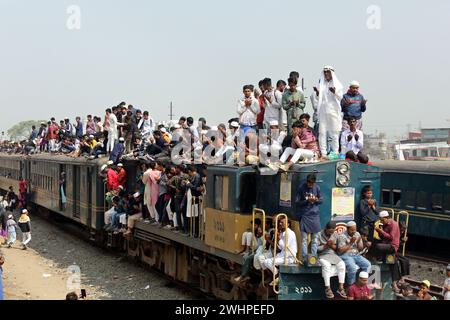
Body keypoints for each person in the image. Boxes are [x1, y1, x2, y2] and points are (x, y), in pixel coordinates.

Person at [311, 66, 344, 158]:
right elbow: (319, 98)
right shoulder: (322, 84)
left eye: (328, 72)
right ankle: (324, 153)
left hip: (333, 111)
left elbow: (341, 98)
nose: (326, 74)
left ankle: (335, 152)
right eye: (324, 72)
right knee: (322, 132)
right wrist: (318, 93)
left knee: (334, 133)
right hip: (323, 111)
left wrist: (335, 92)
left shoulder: (337, 85)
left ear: (332, 73)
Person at [260, 215, 297, 284]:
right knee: (264, 262)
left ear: (288, 224)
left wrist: (278, 238)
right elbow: (280, 247)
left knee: (268, 262)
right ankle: (274, 275)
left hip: (289, 257)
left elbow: (285, 247)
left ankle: (277, 275)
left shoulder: (291, 233)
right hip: (282, 255)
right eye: (280, 222)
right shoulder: (282, 233)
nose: (280, 224)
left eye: (282, 222)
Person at [296, 174, 322, 263]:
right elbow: (297, 202)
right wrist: (307, 201)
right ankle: (304, 258)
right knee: (304, 239)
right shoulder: (301, 188)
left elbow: (321, 200)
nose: (310, 185)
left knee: (315, 239)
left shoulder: (317, 188)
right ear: (306, 181)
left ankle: (314, 258)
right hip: (305, 215)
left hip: (314, 215)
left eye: (311, 183)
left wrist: (315, 200)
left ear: (314, 182)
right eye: (308, 182)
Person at [317, 221, 347, 299]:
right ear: (326, 229)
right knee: (327, 265)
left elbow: (338, 248)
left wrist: (333, 246)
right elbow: (316, 249)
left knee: (342, 264)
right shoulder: (319, 234)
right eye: (329, 231)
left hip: (333, 254)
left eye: (332, 232)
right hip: (322, 254)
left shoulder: (335, 234)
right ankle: (328, 288)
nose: (331, 233)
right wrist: (326, 245)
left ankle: (340, 288)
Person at [337, 221, 371, 286]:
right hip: (345, 255)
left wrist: (361, 242)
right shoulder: (342, 236)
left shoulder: (357, 234)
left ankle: (361, 284)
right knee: (352, 268)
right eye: (352, 230)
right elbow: (340, 251)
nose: (353, 231)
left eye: (355, 229)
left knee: (367, 265)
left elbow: (360, 249)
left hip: (356, 255)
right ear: (347, 229)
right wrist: (350, 243)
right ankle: (351, 286)